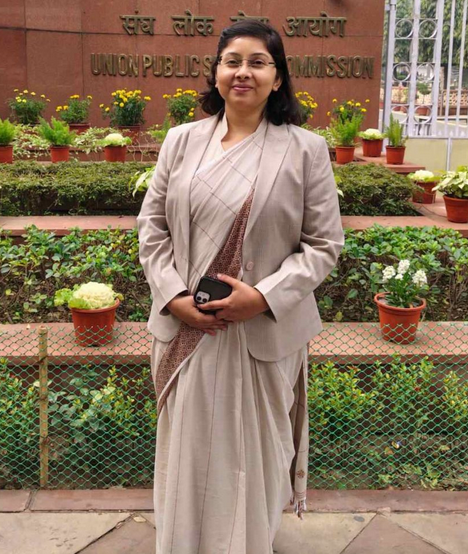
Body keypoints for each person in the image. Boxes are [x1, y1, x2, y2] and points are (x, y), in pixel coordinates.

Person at [137, 19, 344, 554]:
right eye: (232, 61)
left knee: (254, 454)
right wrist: (174, 298)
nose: (243, 72)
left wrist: (264, 297)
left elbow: (324, 245)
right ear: (216, 73)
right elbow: (152, 228)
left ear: (279, 78)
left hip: (262, 336)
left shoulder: (305, 149)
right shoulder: (181, 142)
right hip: (189, 330)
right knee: (189, 453)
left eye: (257, 62)